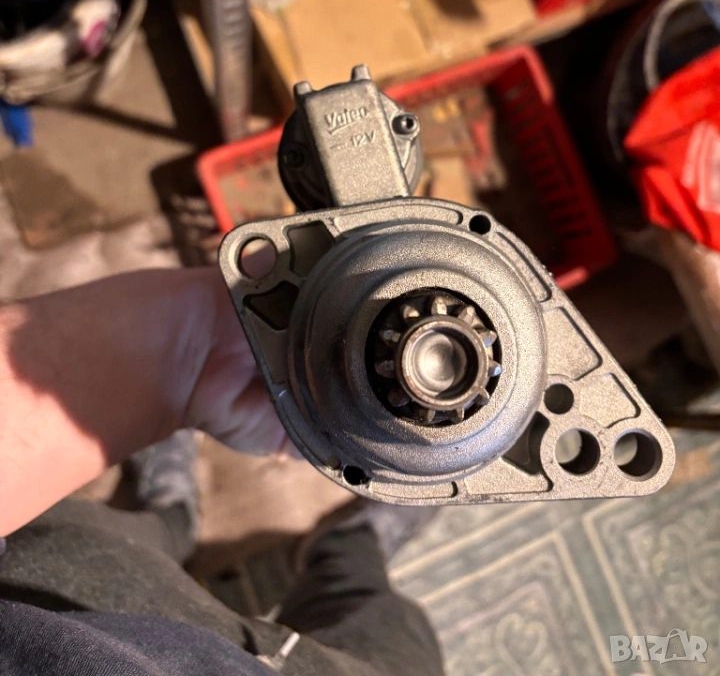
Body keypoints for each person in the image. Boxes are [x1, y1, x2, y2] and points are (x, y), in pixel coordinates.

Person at [0, 267, 445, 676]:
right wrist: (190, 355)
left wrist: (185, 358)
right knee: (387, 624)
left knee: (128, 538)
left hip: (58, 593)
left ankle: (172, 513)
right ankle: (350, 544)